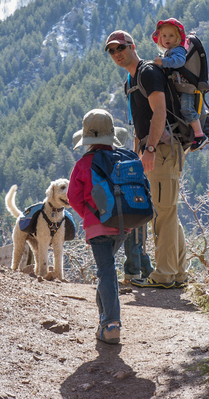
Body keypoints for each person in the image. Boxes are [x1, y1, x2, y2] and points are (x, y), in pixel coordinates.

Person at [104, 30, 189, 290]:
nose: (117, 53)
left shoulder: (148, 72)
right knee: (167, 211)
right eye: (112, 51)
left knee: (162, 213)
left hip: (161, 150)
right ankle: (179, 273)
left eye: (121, 47)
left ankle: (164, 275)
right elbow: (138, 122)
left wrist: (150, 149)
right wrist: (137, 154)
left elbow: (159, 112)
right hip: (151, 150)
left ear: (132, 46)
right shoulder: (132, 79)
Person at [68, 108, 129, 344]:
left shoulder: (83, 164)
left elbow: (74, 198)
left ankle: (111, 324)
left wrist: (90, 216)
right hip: (124, 226)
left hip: (98, 228)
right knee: (108, 269)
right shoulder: (122, 159)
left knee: (106, 271)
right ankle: (104, 318)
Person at [152, 18, 208, 151]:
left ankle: (200, 135)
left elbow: (179, 62)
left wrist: (163, 62)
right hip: (182, 88)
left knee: (186, 109)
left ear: (178, 38)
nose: (167, 39)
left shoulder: (178, 50)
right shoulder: (170, 51)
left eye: (171, 36)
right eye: (164, 35)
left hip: (187, 89)